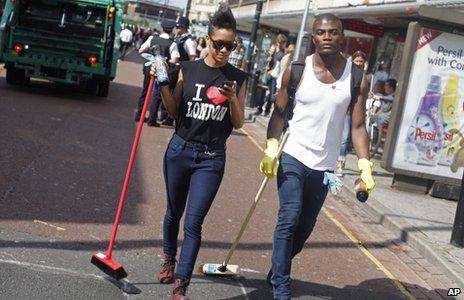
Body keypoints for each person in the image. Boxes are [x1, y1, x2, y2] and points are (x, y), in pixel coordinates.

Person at [259, 13, 376, 299]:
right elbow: (278, 113)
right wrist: (272, 147)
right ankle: (281, 289)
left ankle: (278, 268)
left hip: (324, 166)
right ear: (313, 37)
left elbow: (358, 126)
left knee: (305, 227)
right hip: (293, 154)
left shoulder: (356, 77)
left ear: (342, 38)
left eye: (333, 32)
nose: (327, 37)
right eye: (321, 32)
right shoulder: (296, 70)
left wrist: (365, 166)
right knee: (289, 216)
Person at [150, 4, 248, 299]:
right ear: (206, 40)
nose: (223, 51)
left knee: (194, 221)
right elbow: (172, 110)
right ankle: (169, 258)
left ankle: (182, 282)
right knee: (173, 214)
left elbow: (239, 122)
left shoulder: (237, 78)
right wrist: (162, 81)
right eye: (219, 44)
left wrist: (232, 99)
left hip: (211, 157)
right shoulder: (189, 69)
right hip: (180, 149)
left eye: (229, 46)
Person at [135, 20, 180, 127]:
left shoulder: (152, 38)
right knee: (158, 94)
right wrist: (164, 60)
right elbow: (174, 60)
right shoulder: (172, 43)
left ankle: (139, 114)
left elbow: (141, 50)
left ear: (162, 28)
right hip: (162, 71)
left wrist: (151, 56)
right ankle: (152, 118)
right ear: (172, 29)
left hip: (150, 68)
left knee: (145, 91)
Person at [336, 50, 367, 176]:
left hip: (353, 112)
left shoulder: (366, 77)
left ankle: (340, 164)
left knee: (345, 138)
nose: (359, 63)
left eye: (361, 61)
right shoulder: (347, 74)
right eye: (357, 61)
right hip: (342, 109)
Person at [255, 34, 287, 117]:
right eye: (280, 42)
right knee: (262, 91)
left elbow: (281, 65)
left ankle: (267, 111)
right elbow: (267, 59)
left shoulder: (283, 52)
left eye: (282, 42)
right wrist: (269, 57)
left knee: (271, 93)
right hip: (267, 73)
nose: (281, 44)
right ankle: (259, 108)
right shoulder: (273, 49)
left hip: (275, 75)